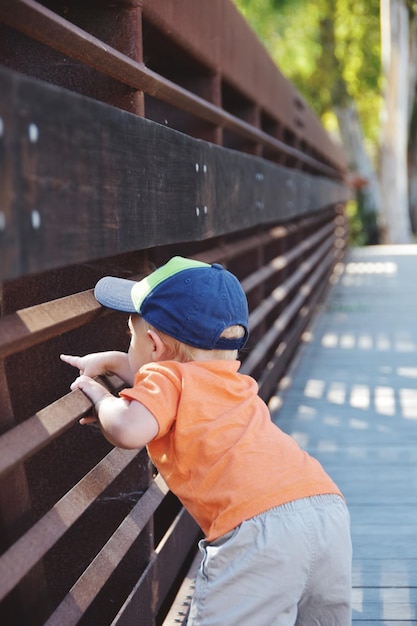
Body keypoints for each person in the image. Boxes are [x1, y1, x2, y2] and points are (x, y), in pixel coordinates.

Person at [61, 255, 352, 626]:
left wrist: (101, 398)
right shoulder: (230, 380)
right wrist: (118, 362)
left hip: (259, 531)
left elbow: (128, 429)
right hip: (324, 508)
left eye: (129, 337)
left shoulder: (167, 380)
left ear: (152, 346)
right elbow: (168, 381)